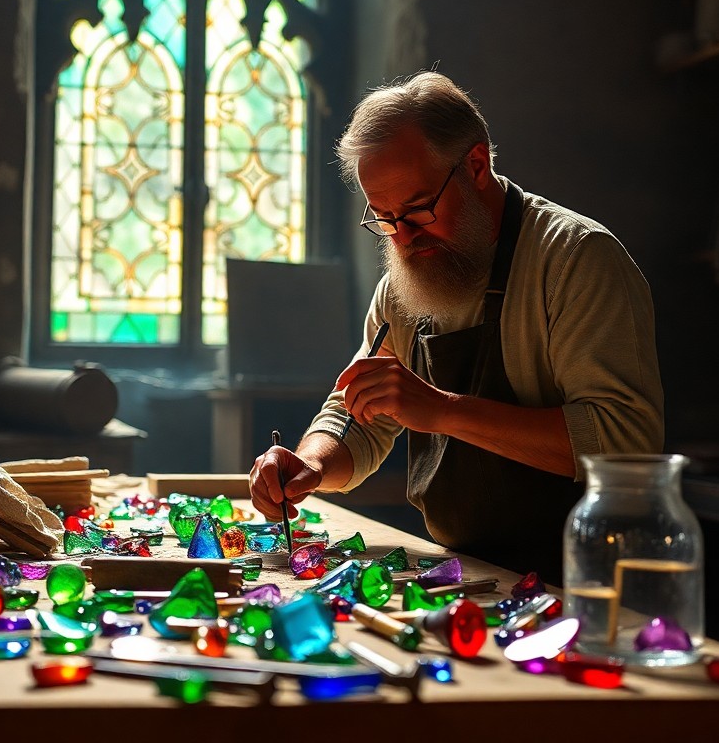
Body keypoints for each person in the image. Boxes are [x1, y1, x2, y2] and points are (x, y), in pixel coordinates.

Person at [248, 71, 664, 583]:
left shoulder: (576, 260)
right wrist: (309, 463)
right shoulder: (406, 279)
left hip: (588, 580)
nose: (402, 238)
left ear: (476, 164)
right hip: (470, 574)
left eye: (419, 209)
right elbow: (357, 414)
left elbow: (626, 444)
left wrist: (442, 410)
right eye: (383, 217)